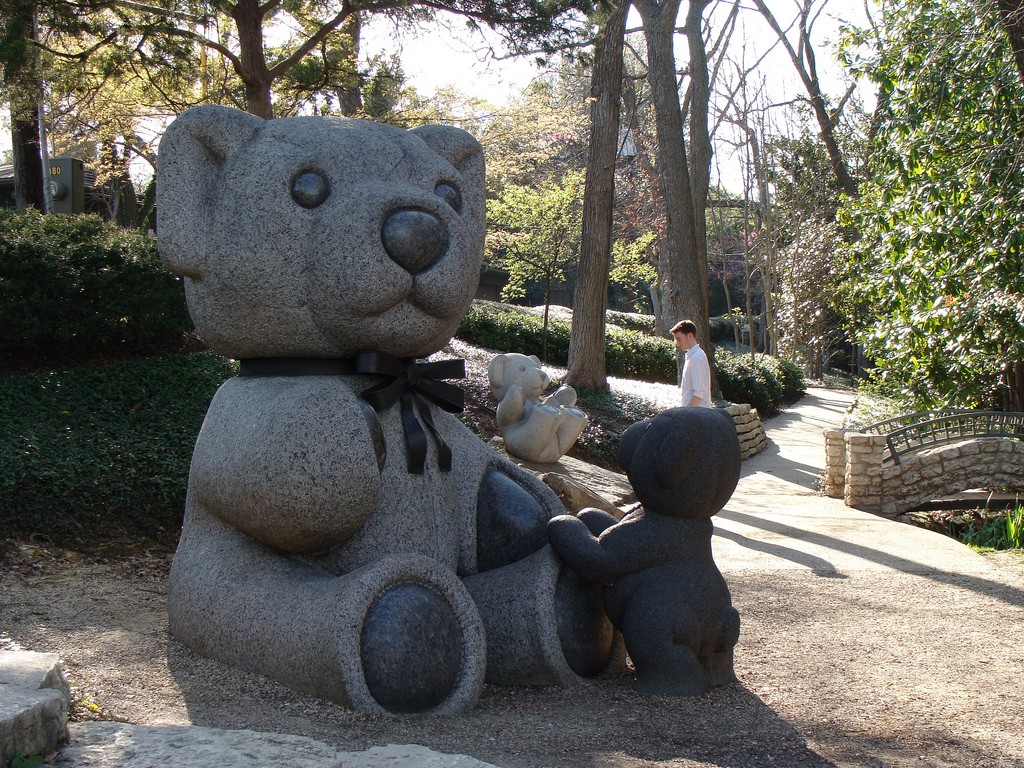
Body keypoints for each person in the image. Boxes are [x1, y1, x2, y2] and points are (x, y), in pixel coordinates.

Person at [670, 319, 713, 408]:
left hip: (696, 415)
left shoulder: (696, 357)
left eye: (679, 339)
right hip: (694, 414)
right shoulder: (693, 356)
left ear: (690, 336)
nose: (677, 344)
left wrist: (686, 414)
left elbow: (699, 393)